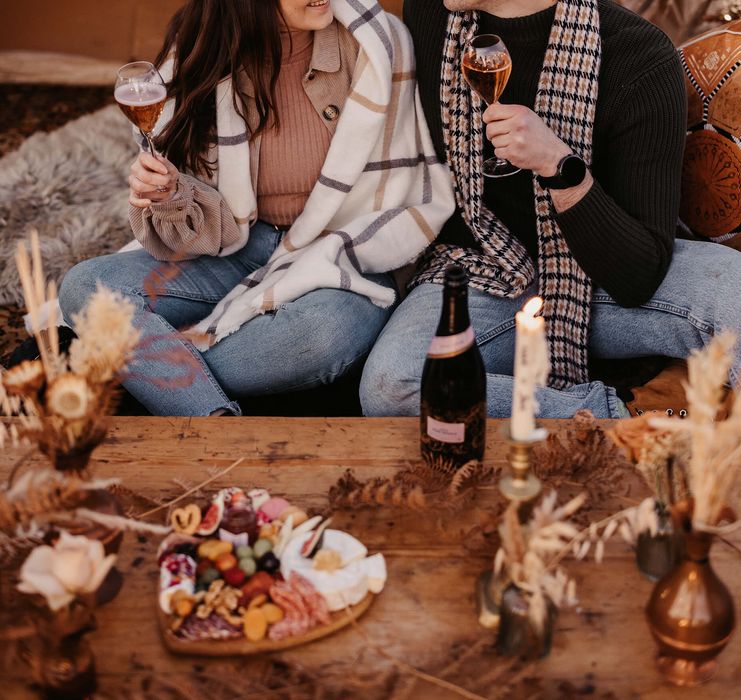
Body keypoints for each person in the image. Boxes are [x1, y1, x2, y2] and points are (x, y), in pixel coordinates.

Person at [360, 0, 741, 423]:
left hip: (601, 277)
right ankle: (629, 421)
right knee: (395, 384)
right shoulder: (433, 13)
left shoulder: (637, 55)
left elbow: (639, 274)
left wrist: (559, 167)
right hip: (482, 268)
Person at [58, 0, 454, 416]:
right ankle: (209, 413)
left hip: (345, 252)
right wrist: (172, 194)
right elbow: (194, 198)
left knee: (326, 334)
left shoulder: (372, 42)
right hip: (242, 243)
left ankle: (141, 381)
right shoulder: (201, 52)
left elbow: (398, 182)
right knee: (87, 286)